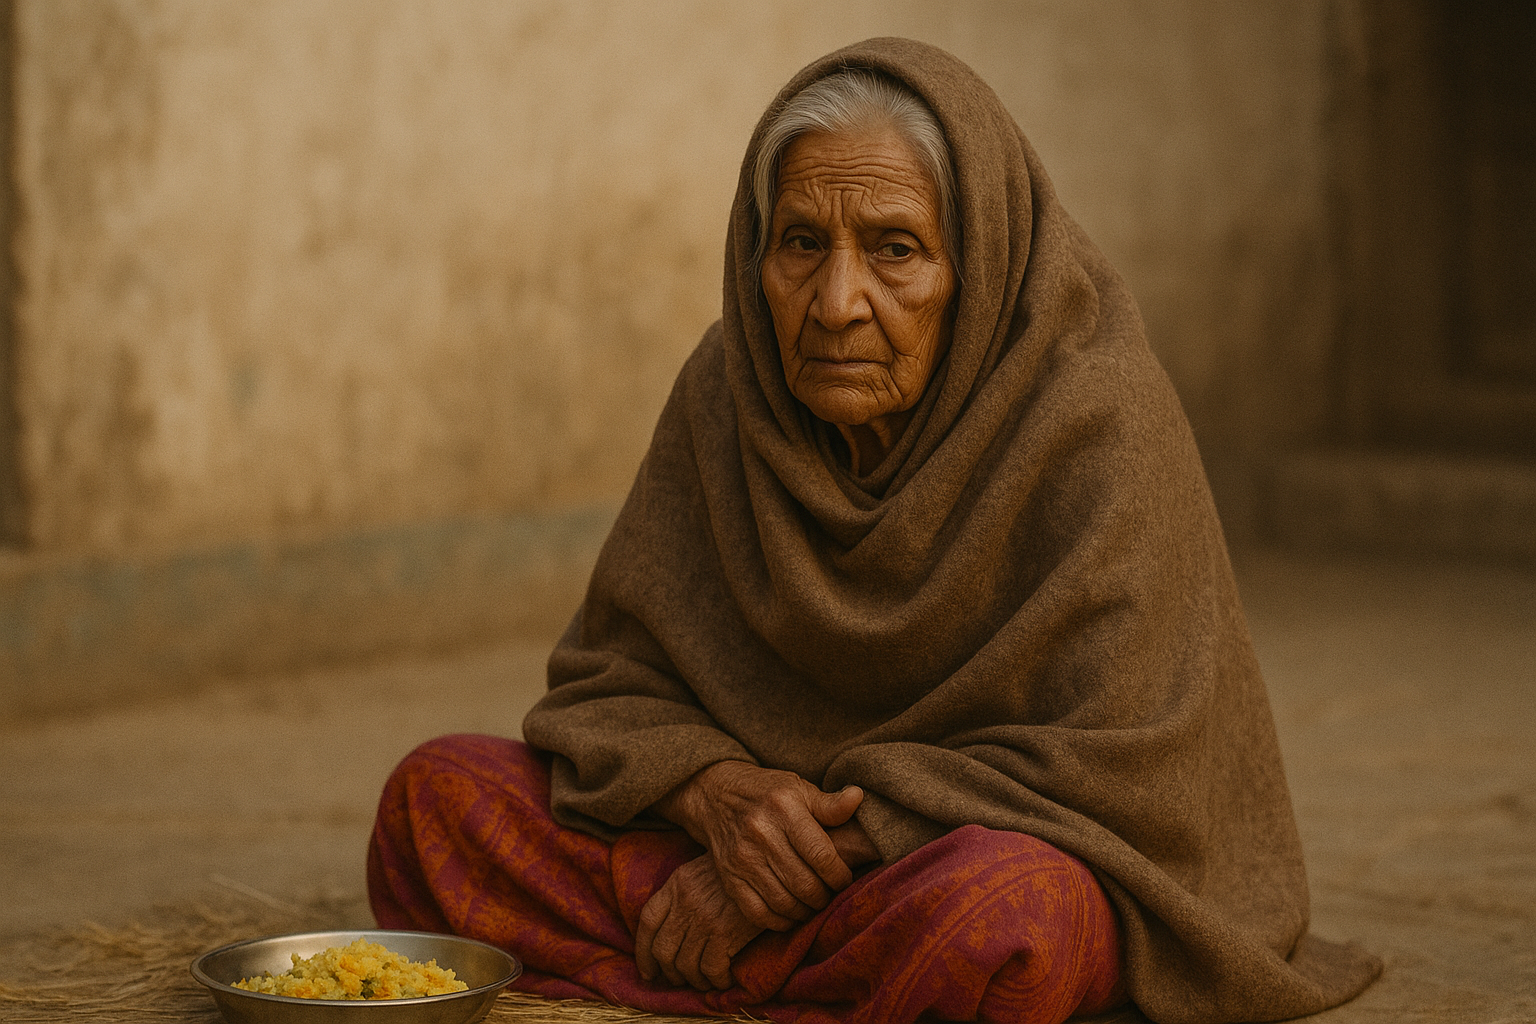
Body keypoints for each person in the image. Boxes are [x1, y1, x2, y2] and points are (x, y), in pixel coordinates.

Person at [368, 37, 1381, 1024]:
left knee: (1001, 920)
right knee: (435, 800)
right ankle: (827, 984)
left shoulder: (1095, 416)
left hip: (944, 857)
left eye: (895, 250)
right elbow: (609, 685)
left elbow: (1120, 767)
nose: (837, 302)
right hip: (747, 850)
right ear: (757, 255)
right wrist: (717, 796)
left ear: (979, 264)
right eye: (802, 244)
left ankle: (729, 960)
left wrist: (821, 853)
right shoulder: (730, 389)